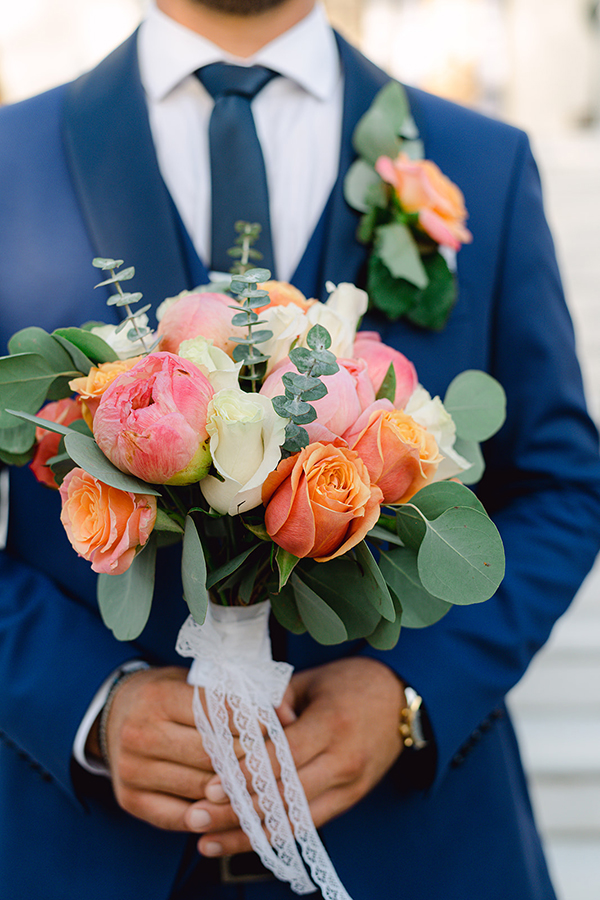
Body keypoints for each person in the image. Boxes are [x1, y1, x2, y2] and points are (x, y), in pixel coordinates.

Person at [1, 1, 599, 898]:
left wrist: (408, 695)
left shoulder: (482, 161)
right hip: (84, 848)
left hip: (416, 849)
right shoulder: (12, 159)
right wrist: (84, 701)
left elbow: (562, 483)